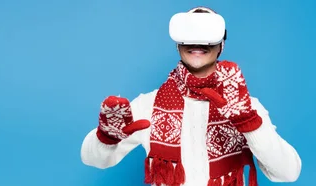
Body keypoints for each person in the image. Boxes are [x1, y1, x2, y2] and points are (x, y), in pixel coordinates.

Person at [80, 6, 301, 186]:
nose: (198, 43)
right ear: (178, 45)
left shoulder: (245, 107)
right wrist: (106, 138)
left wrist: (249, 124)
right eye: (190, 35)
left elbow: (288, 173)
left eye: (207, 36)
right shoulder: (148, 104)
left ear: (221, 45)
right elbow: (93, 160)